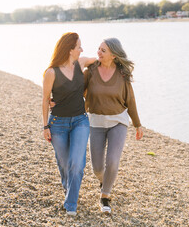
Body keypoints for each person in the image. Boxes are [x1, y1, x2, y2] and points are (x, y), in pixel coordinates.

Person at [84, 37, 144, 214]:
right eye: (98, 49)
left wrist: (137, 124)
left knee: (112, 161)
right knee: (97, 168)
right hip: (95, 122)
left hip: (118, 122)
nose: (99, 53)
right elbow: (77, 92)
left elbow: (130, 100)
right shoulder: (91, 71)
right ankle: (104, 181)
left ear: (113, 55)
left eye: (103, 50)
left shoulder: (122, 74)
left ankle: (105, 196)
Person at [42, 32, 95, 216]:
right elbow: (45, 99)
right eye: (79, 47)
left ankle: (71, 204)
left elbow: (99, 60)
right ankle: (68, 190)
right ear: (70, 49)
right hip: (57, 125)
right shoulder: (51, 72)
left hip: (80, 120)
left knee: (77, 164)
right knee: (64, 164)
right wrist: (45, 126)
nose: (81, 50)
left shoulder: (80, 64)